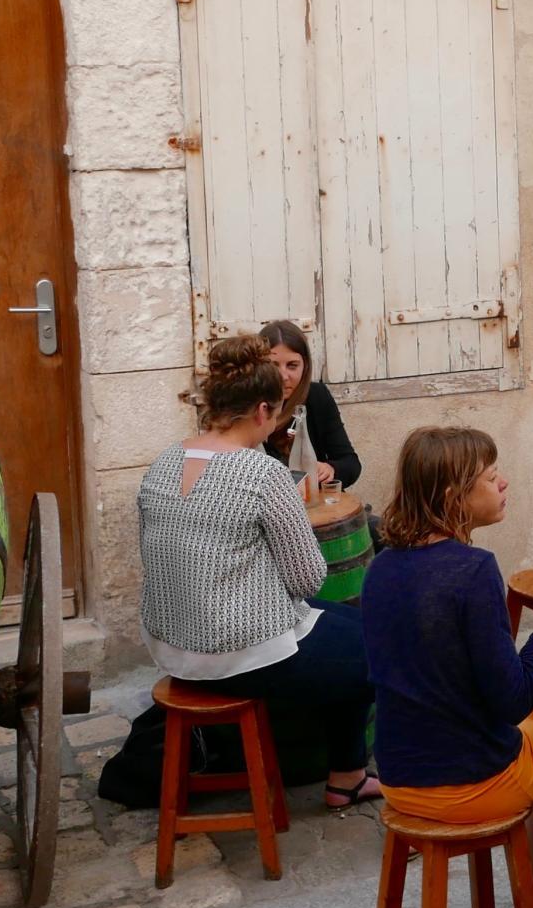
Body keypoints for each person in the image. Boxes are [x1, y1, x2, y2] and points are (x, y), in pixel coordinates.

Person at [360, 426, 533, 908]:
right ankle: (532, 906)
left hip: (401, 774)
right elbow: (509, 698)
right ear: (455, 495)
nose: (503, 484)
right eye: (491, 477)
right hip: (463, 781)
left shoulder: (382, 568)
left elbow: (449, 680)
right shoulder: (473, 570)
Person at [135, 336, 379, 810]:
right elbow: (308, 580)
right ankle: (351, 773)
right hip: (236, 653)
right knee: (378, 648)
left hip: (171, 643)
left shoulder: (163, 463)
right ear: (265, 411)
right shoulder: (261, 473)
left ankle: (345, 774)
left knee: (353, 626)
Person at [258, 318, 362, 488]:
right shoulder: (247, 401)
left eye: (292, 366)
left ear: (305, 366)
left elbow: (351, 463)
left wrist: (330, 469)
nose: (283, 376)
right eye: (273, 366)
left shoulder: (316, 396)